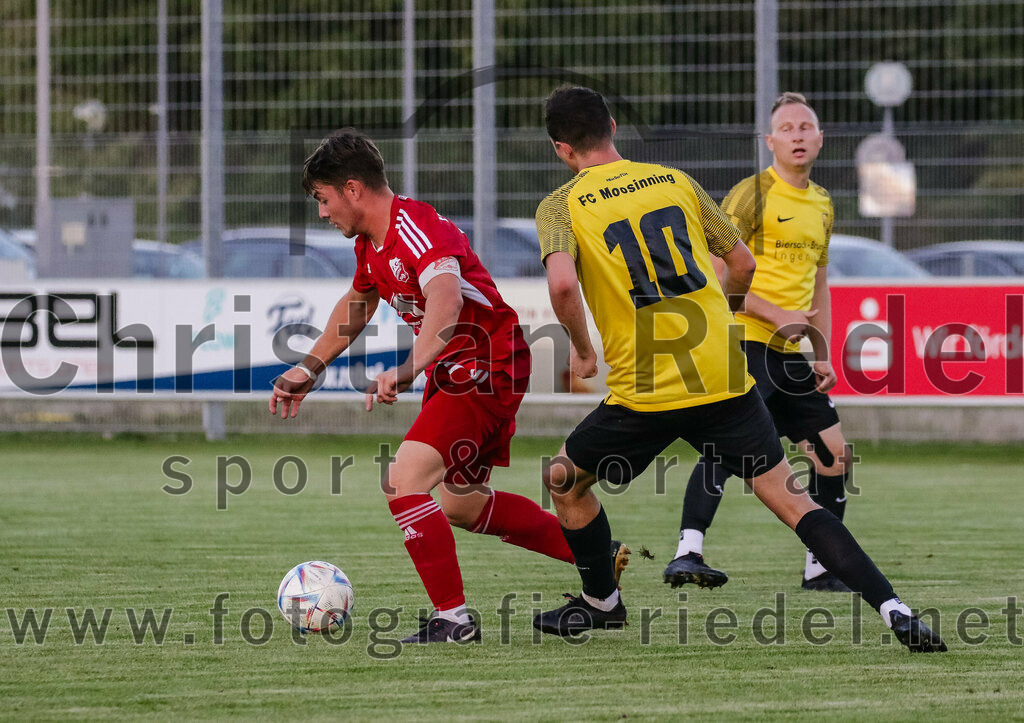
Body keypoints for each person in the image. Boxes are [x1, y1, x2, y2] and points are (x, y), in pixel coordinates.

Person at [532, 85, 945, 652]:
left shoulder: (560, 205)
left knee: (564, 480)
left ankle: (602, 604)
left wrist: (581, 348)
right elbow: (742, 264)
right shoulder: (674, 181)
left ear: (561, 149)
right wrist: (714, 306)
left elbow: (560, 283)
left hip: (645, 390)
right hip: (724, 373)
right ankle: (895, 609)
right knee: (794, 500)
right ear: (613, 129)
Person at [269, 129, 628, 644]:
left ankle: (453, 621)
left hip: (484, 361)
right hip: (460, 366)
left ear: (352, 189)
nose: (322, 214)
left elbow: (446, 300)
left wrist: (408, 369)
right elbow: (357, 305)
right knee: (459, 502)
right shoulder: (372, 244)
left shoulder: (414, 225)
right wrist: (307, 369)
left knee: (403, 479)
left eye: (323, 200)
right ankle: (595, 554)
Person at [665, 92, 854, 593]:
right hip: (746, 339)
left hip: (791, 353)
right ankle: (688, 551)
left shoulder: (822, 202)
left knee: (833, 455)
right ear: (770, 141)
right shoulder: (752, 194)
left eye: (805, 126)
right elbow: (716, 273)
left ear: (820, 138)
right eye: (786, 128)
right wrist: (776, 314)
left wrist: (821, 350)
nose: (797, 134)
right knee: (727, 449)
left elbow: (819, 284)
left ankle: (819, 566)